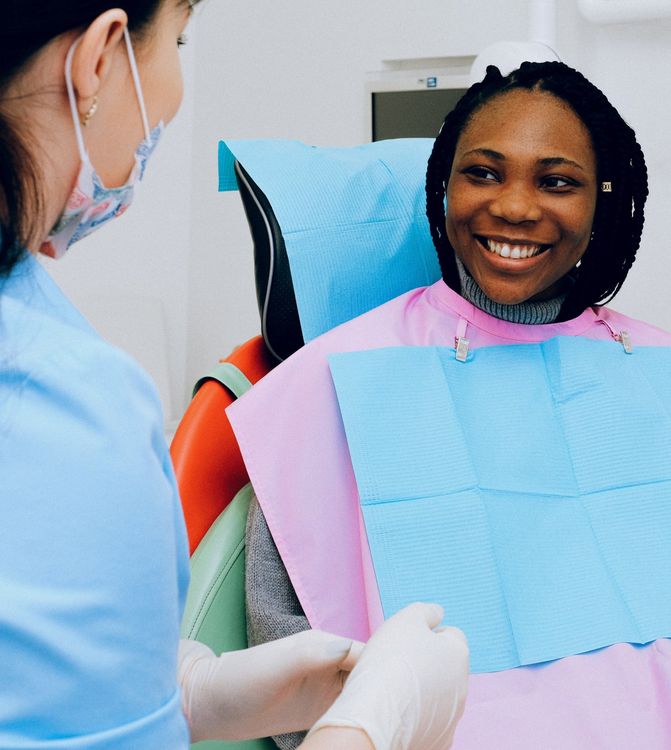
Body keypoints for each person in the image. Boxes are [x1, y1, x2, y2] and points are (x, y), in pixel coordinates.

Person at [0, 2, 469, 748]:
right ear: (98, 59)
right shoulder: (62, 398)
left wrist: (182, 691)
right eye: (178, 38)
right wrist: (366, 728)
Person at [236, 61, 671, 749]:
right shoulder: (333, 377)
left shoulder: (656, 371)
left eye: (556, 181)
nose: (515, 208)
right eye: (484, 173)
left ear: (602, 204)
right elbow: (285, 628)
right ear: (442, 189)